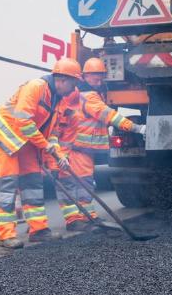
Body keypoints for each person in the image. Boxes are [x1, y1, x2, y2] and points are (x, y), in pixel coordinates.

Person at [0, 57, 80, 249]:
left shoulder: (58, 100)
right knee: (8, 185)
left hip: (26, 139)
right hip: (7, 135)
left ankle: (39, 230)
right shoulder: (36, 87)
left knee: (33, 182)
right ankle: (6, 235)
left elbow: (52, 132)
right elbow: (23, 122)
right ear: (61, 80)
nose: (74, 89)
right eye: (73, 83)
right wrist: (45, 146)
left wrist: (57, 154)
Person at [50, 57, 145, 232]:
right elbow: (109, 116)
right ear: (84, 76)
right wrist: (136, 127)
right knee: (73, 183)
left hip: (82, 149)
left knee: (85, 183)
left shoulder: (86, 94)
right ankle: (74, 220)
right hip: (75, 149)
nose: (99, 80)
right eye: (95, 77)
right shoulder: (88, 96)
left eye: (101, 76)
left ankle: (88, 216)